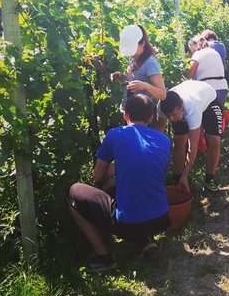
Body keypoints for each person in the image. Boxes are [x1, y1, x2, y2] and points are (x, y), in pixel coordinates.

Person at [68, 94, 171, 272]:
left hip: (128, 224)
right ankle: (145, 240)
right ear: (152, 117)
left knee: (73, 192)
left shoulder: (116, 134)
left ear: (125, 115)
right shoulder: (164, 140)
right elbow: (144, 169)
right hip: (161, 219)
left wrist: (111, 174)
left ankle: (103, 256)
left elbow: (97, 177)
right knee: (132, 183)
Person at [158, 80, 224, 193]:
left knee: (214, 140)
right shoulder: (161, 106)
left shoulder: (193, 108)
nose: (172, 119)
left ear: (181, 107)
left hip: (208, 100)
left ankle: (209, 179)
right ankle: (177, 180)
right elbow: (158, 132)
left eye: (174, 115)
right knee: (178, 142)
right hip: (188, 95)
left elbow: (192, 147)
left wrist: (186, 173)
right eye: (169, 116)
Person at [114, 25, 167, 130]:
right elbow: (134, 81)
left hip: (142, 117)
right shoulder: (134, 58)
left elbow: (162, 94)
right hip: (130, 112)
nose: (131, 53)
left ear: (143, 43)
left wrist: (145, 86)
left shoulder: (150, 63)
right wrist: (122, 76)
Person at [187, 35, 228, 107]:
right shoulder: (215, 52)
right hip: (222, 88)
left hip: (208, 90)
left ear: (194, 46)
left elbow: (189, 75)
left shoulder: (197, 54)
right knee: (218, 116)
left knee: (207, 116)